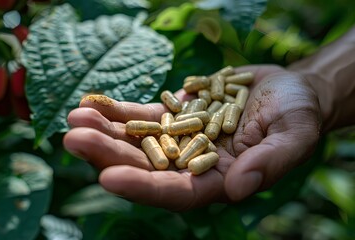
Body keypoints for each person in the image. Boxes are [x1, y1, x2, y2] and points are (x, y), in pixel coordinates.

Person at [63, 27, 355, 211]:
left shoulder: (210, 116)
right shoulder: (198, 116)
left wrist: (316, 86)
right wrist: (317, 83)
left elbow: (212, 127)